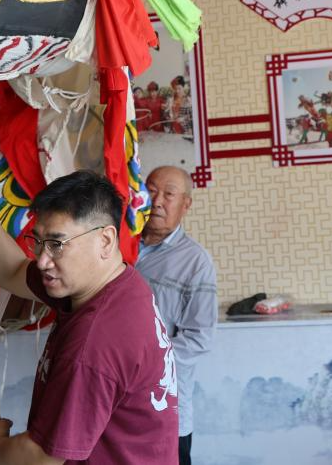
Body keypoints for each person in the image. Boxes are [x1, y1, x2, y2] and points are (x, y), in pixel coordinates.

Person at [0, 169, 178, 465]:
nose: (42, 260)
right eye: (38, 241)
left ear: (105, 240)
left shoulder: (95, 341)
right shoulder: (110, 284)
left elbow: (43, 458)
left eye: (57, 244)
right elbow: (12, 270)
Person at [136, 166, 217, 465]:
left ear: (186, 204)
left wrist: (139, 362)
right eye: (151, 191)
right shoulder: (115, 245)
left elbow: (199, 338)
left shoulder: (196, 261)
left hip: (164, 406)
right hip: (112, 402)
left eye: (168, 194)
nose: (157, 201)